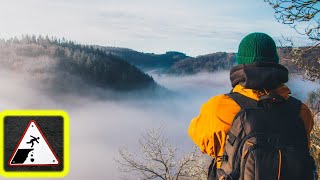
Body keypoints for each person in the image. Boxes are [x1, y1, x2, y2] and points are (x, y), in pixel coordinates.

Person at [188, 32, 316, 179]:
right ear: (275, 62)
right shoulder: (301, 111)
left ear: (240, 65)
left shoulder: (217, 109)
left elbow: (201, 139)